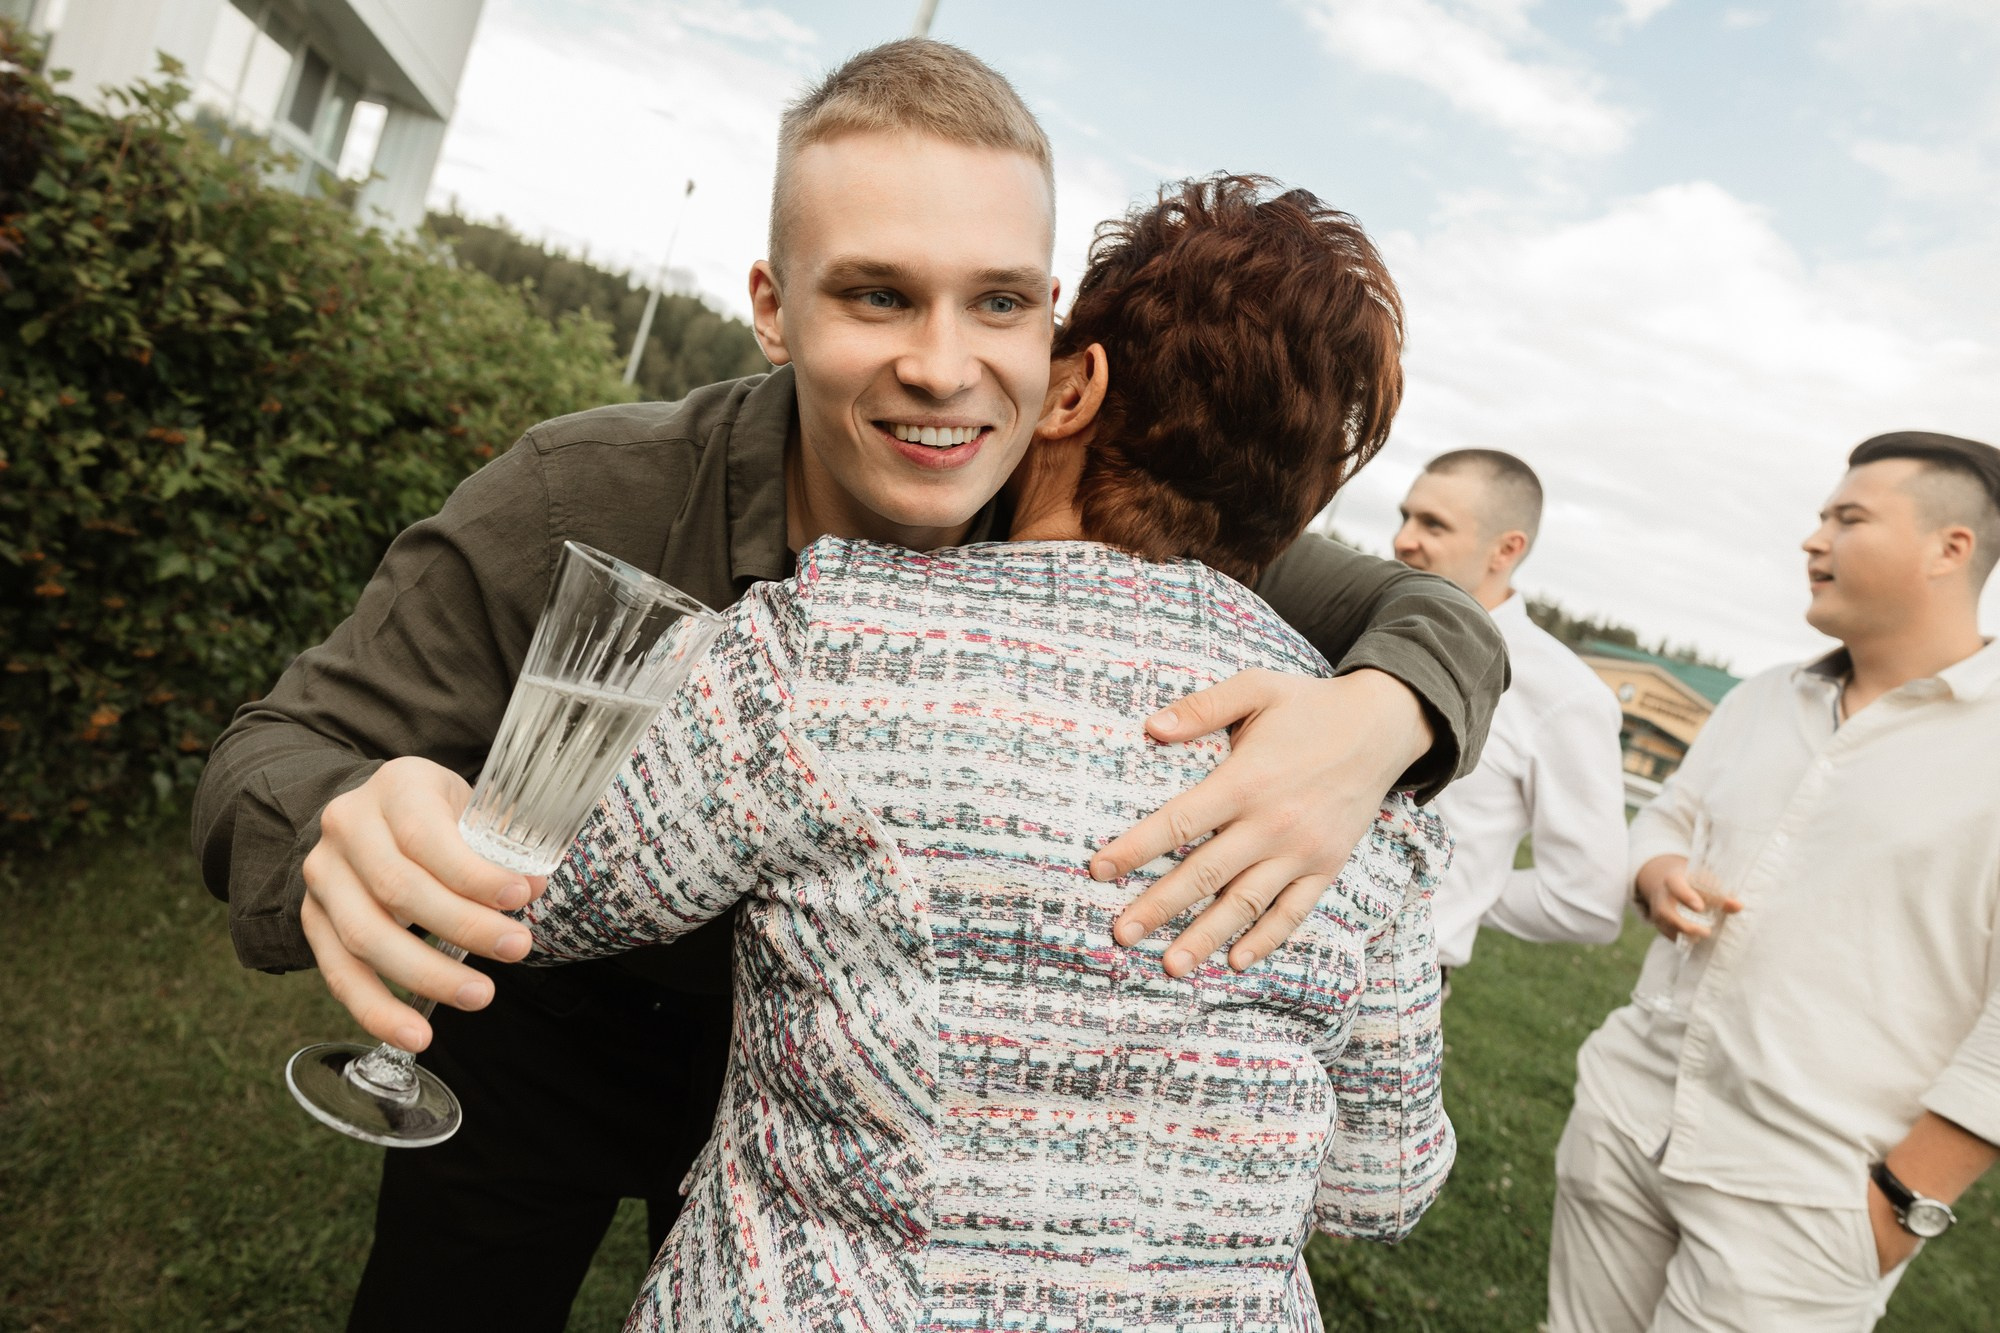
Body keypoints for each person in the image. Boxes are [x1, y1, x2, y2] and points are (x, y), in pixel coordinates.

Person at [191, 41, 1503, 1331]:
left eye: (998, 304)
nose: (942, 367)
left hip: (818, 1087)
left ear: (1059, 344)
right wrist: (344, 823)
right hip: (540, 1025)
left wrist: (1381, 720)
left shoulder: (1076, 505)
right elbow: (283, 747)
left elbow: (1425, 610)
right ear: (773, 303)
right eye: (878, 296)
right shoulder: (583, 492)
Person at [520, 173, 1453, 1333]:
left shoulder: (825, 644)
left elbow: (553, 899)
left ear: (1071, 388)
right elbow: (1380, 1183)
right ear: (1308, 488)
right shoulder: (1365, 788)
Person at [1547, 431, 2000, 1332]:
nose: (1813, 538)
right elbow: (1669, 814)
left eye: (1848, 517)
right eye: (1820, 515)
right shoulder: (1761, 696)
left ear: (1949, 549)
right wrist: (1658, 869)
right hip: (1626, 1119)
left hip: (1807, 1198)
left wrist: (1900, 1205)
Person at [1391, 451, 1627, 980]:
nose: (1403, 539)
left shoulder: (1565, 696)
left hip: (1396, 985)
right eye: (1405, 516)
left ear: (1506, 548)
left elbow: (1587, 898)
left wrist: (1451, 895)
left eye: (1433, 524)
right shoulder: (1362, 623)